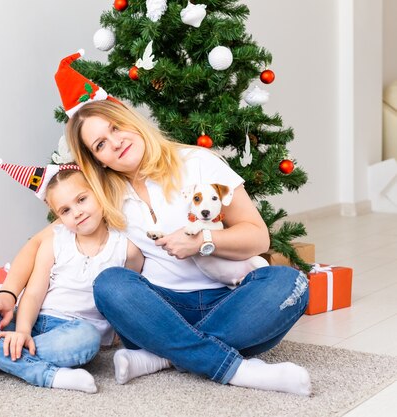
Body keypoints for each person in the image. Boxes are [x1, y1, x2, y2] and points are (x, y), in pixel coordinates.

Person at [56, 50, 312, 396]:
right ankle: (236, 368)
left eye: (116, 128)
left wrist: (203, 240)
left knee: (291, 283)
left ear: (131, 120)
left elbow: (258, 238)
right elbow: (53, 235)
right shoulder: (104, 197)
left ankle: (162, 356)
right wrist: (13, 293)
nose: (115, 142)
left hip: (230, 301)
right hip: (160, 309)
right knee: (110, 284)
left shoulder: (198, 161)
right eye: (101, 144)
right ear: (96, 160)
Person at [0, 163, 144, 394]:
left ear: (99, 192)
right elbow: (33, 293)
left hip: (74, 330)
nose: (77, 212)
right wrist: (22, 330)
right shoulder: (56, 240)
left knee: (87, 339)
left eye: (82, 200)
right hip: (33, 319)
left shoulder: (127, 250)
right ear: (58, 217)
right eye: (65, 210)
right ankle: (48, 375)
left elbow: (125, 299)